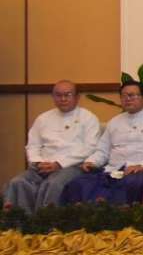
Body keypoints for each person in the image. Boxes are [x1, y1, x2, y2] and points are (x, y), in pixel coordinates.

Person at [59, 81, 143, 205]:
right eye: (124, 96)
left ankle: (119, 216)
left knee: (131, 184)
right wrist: (92, 162)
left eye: (132, 95)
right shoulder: (115, 121)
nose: (127, 99)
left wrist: (142, 165)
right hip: (113, 170)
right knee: (78, 184)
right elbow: (103, 150)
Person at [3, 81, 101, 213]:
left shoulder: (88, 118)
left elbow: (90, 147)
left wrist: (59, 164)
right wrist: (38, 162)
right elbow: (33, 145)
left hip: (71, 166)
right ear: (53, 97)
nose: (63, 99)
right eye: (58, 95)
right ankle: (20, 222)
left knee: (53, 184)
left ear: (77, 97)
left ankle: (46, 222)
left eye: (68, 95)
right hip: (42, 166)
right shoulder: (43, 118)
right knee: (17, 182)